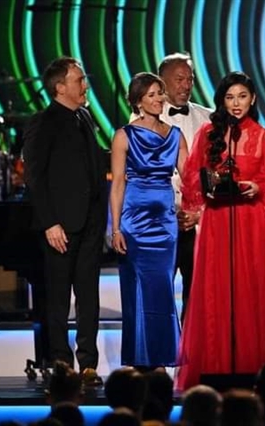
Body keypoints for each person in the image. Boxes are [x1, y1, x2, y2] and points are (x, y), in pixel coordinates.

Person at [177, 71, 265, 390]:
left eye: (242, 96)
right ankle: (215, 366)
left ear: (253, 98)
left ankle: (250, 367)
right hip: (217, 221)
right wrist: (204, 193)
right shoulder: (207, 133)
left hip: (250, 221)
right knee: (216, 290)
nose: (236, 103)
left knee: (249, 289)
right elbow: (192, 179)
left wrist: (257, 187)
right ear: (222, 101)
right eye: (230, 97)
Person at [23, 56, 107, 386]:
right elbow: (35, 177)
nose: (85, 85)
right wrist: (49, 223)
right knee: (58, 297)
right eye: (79, 80)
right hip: (59, 225)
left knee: (89, 296)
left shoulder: (84, 117)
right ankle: (61, 363)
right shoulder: (43, 122)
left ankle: (88, 363)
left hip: (90, 223)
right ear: (60, 87)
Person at [110, 72, 188, 371]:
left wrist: (194, 207)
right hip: (134, 221)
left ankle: (162, 356)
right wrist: (115, 228)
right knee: (137, 289)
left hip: (165, 223)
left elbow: (191, 176)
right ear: (139, 101)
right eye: (152, 95)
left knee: (162, 288)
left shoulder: (175, 135)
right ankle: (139, 357)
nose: (159, 99)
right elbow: (117, 184)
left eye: (160, 93)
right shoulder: (124, 135)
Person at [157, 53, 212, 323]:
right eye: (179, 79)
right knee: (160, 292)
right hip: (161, 222)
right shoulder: (143, 121)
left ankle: (192, 355)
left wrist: (198, 212)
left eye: (189, 79)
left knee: (198, 293)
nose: (186, 85)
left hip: (199, 222)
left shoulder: (209, 119)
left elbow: (214, 172)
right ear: (162, 82)